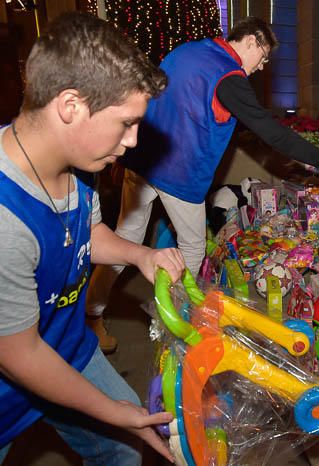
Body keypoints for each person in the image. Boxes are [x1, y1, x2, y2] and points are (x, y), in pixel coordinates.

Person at [86, 16, 319, 352]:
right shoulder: (229, 76)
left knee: (123, 242)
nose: (262, 67)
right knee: (192, 248)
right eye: (263, 57)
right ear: (250, 40)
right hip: (179, 175)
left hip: (141, 161)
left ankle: (92, 315)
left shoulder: (188, 51)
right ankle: (172, 325)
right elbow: (272, 131)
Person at [0, 12, 185, 465]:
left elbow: (83, 233)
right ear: (70, 106)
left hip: (67, 345)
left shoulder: (80, 161)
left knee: (123, 452)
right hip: (10, 380)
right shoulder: (4, 221)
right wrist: (108, 409)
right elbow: (18, 356)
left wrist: (140, 254)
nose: (133, 139)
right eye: (126, 122)